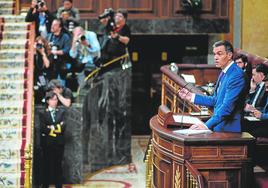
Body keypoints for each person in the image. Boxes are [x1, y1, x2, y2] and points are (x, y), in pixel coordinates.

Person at [178, 40, 247, 132]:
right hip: (219, 126)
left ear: (229, 55)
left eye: (219, 54)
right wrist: (191, 97)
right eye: (214, 54)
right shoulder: (224, 72)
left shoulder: (236, 75)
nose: (215, 57)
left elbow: (227, 107)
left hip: (229, 129)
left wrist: (206, 126)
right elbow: (216, 100)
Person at [39, 91, 67, 188]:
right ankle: (45, 185)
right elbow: (43, 128)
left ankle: (58, 186)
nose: (55, 102)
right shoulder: (43, 113)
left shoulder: (62, 112)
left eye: (56, 100)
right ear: (48, 101)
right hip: (47, 143)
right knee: (46, 165)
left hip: (59, 143)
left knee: (58, 166)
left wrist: (51, 128)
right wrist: (56, 128)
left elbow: (63, 127)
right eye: (53, 100)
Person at [47, 18, 72, 86]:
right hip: (51, 64)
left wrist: (55, 52)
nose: (52, 26)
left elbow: (66, 50)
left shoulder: (65, 37)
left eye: (55, 25)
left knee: (60, 84)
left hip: (61, 64)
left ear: (60, 27)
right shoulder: (49, 36)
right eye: (52, 24)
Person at [34, 36, 56, 104]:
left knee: (43, 84)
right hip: (37, 76)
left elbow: (47, 65)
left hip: (46, 75)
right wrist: (34, 51)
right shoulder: (35, 54)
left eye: (41, 44)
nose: (39, 46)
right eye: (38, 44)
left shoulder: (50, 54)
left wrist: (43, 53)